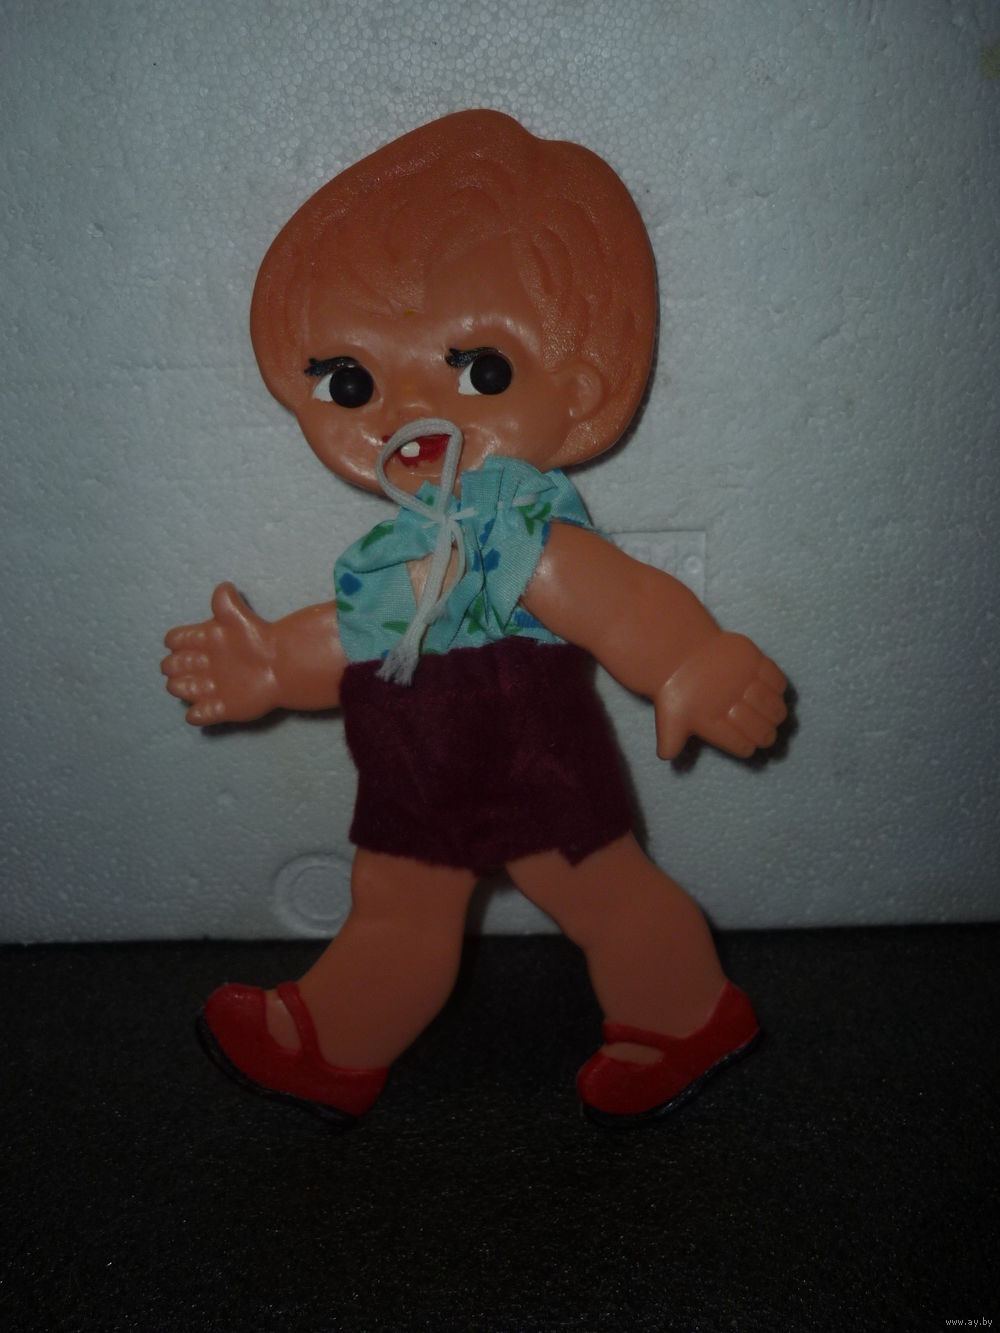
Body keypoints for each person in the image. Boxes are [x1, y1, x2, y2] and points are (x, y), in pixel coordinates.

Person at [161, 110, 787, 1126]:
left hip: (525, 746)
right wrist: (272, 662)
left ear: (578, 391)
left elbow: (606, 594)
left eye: (477, 370)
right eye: (352, 380)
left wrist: (687, 661)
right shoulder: (397, 549)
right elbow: (363, 634)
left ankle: (684, 1012)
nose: (406, 407)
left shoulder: (511, 521)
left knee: (601, 890)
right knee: (399, 904)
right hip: (418, 757)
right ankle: (336, 1039)